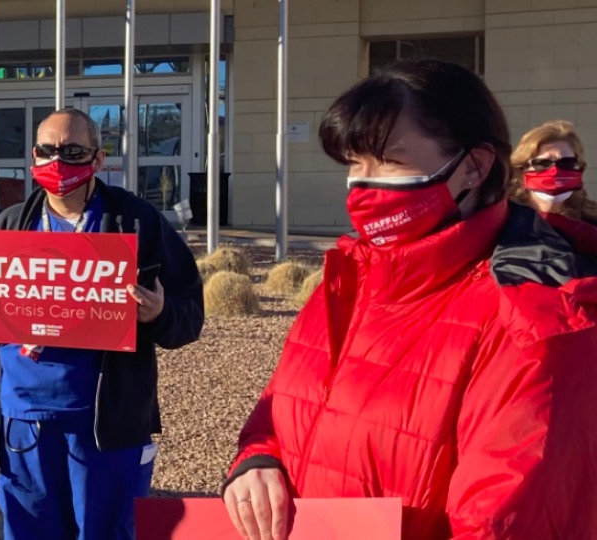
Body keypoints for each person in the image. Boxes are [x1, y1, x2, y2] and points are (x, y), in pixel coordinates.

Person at [222, 59, 597, 540]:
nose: (362, 183)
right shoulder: (352, 276)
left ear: (473, 167)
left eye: (390, 160)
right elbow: (281, 409)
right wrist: (258, 458)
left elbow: (501, 523)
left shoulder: (533, 320)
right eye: (355, 163)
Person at [0, 108, 203, 539]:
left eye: (72, 151)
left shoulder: (138, 223)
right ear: (32, 156)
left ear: (98, 159)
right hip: (23, 423)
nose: (57, 161)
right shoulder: (7, 227)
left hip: (106, 426)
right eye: (47, 151)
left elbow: (190, 315)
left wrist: (160, 313)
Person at [508, 120, 597, 256]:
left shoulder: (591, 221)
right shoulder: (505, 220)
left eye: (566, 162)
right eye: (543, 163)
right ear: (522, 170)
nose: (555, 171)